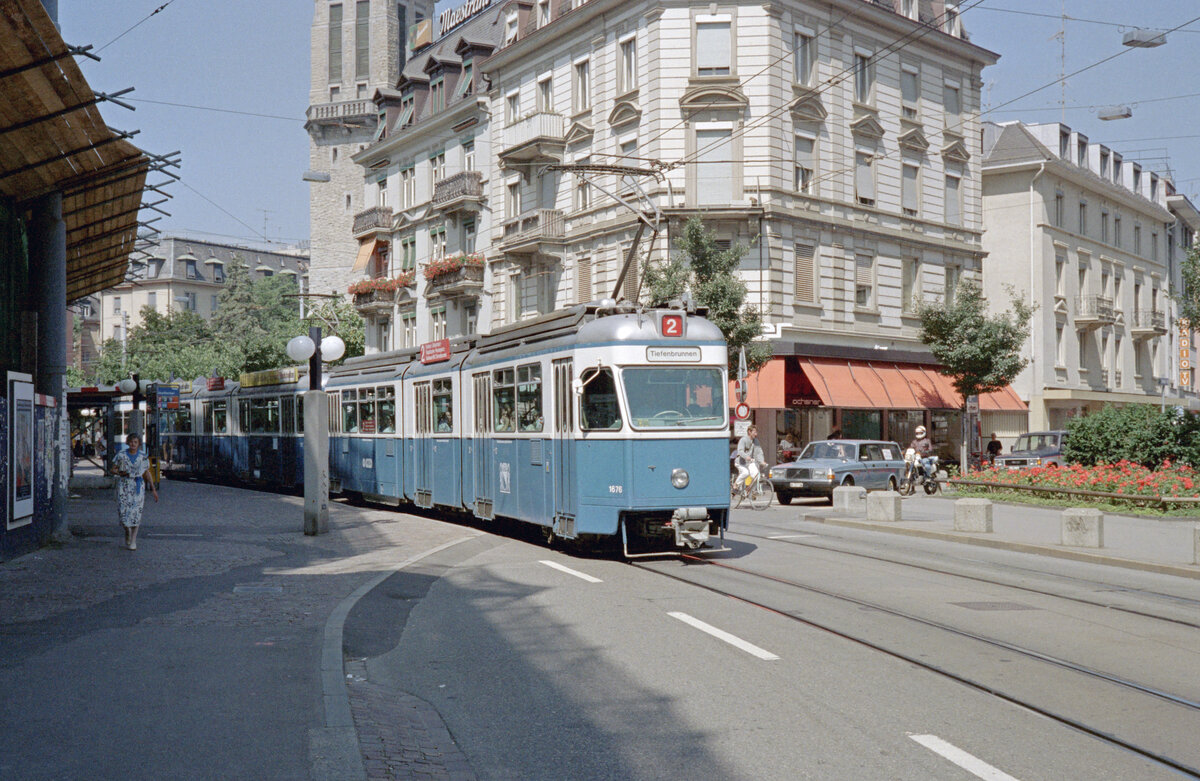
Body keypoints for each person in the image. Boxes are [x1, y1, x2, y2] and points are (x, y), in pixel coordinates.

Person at [110, 432, 157, 551]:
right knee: (124, 513)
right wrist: (120, 473)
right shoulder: (121, 455)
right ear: (127, 443)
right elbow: (113, 469)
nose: (133, 444)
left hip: (138, 486)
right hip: (124, 486)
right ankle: (127, 531)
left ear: (139, 444)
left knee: (136, 513)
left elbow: (147, 472)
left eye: (135, 442)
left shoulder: (143, 456)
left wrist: (153, 489)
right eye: (131, 442)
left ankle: (133, 540)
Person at [733, 425, 766, 494]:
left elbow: (759, 452)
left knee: (756, 475)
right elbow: (740, 451)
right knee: (745, 473)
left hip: (749, 462)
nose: (756, 434)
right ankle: (735, 485)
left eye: (756, 432)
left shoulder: (756, 441)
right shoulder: (743, 440)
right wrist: (746, 456)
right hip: (740, 462)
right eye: (754, 432)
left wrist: (762, 461)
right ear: (749, 432)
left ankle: (748, 490)